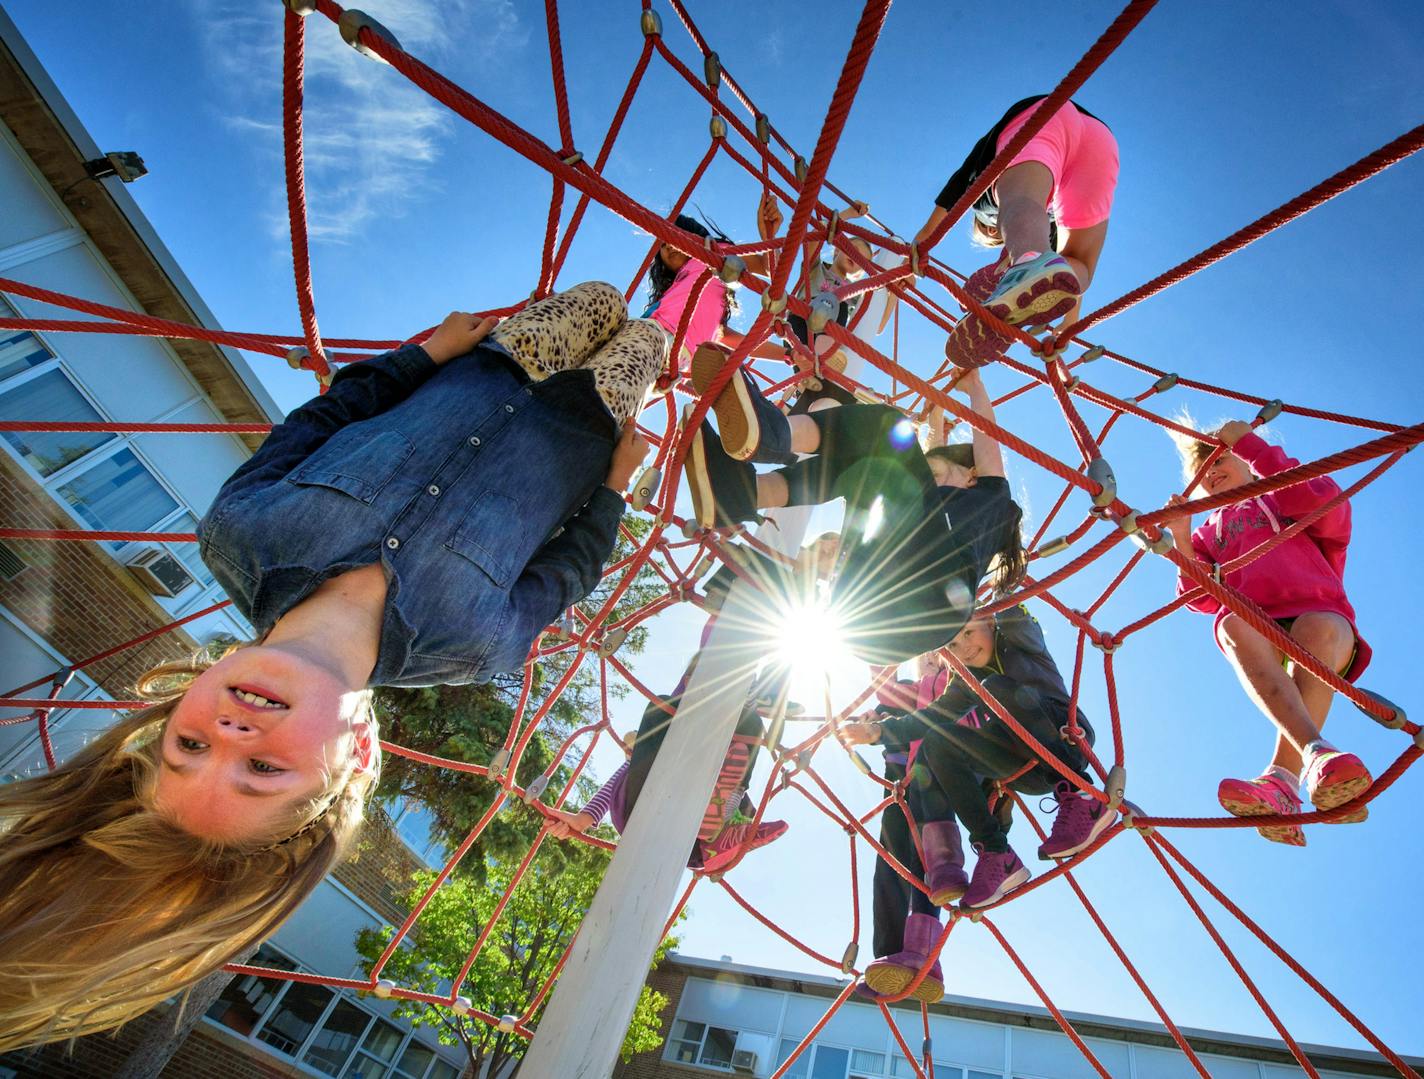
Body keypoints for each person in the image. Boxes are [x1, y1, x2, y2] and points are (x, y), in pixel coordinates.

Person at [0, 282, 665, 1049]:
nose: (230, 730)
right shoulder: (476, 645)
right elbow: (567, 570)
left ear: (173, 713)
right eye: (262, 772)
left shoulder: (236, 534)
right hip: (587, 428)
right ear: (352, 762)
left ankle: (664, 283)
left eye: (190, 748)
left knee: (598, 296)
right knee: (652, 339)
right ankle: (687, 299)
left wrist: (427, 352)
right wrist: (616, 487)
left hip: (493, 362)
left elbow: (320, 422)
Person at [684, 363, 1024, 667]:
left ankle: (775, 434)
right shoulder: (930, 513)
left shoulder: (991, 497)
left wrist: (976, 385)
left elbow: (987, 443)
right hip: (859, 619)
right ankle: (743, 494)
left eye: (934, 474)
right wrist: (935, 420)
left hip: (929, 603)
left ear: (971, 475)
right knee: (862, 470)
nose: (927, 481)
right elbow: (922, 476)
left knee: (889, 427)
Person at [1164, 419, 1374, 846]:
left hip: (1323, 625)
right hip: (1262, 632)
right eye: (1202, 472)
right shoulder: (1210, 532)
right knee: (1229, 622)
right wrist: (1181, 541)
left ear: (1247, 460)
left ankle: (1284, 779)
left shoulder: (1283, 498)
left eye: (1221, 459)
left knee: (1316, 626)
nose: (1213, 471)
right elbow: (1199, 596)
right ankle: (1311, 758)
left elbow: (1323, 504)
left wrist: (1251, 445)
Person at [844, 604, 1113, 910]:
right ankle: (997, 853)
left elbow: (1011, 604)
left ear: (990, 620)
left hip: (1064, 739)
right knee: (938, 741)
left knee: (995, 687)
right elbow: (931, 718)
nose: (965, 648)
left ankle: (1081, 798)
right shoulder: (966, 680)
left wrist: (994, 587)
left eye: (969, 633)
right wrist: (879, 732)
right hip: (1025, 767)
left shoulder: (1019, 636)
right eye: (953, 645)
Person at [912, 96, 1119, 369]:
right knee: (1078, 264)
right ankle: (1022, 265)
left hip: (1047, 116)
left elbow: (960, 185)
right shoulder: (1046, 222)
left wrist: (923, 239)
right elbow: (1063, 276)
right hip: (1101, 140)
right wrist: (1069, 324)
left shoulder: (983, 202)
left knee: (1021, 202)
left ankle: (1020, 263)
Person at [856, 651, 957, 1003]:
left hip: (933, 781)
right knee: (888, 869)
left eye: (940, 654)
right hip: (899, 786)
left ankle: (924, 955)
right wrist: (882, 651)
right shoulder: (908, 691)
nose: (932, 658)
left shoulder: (954, 684)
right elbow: (886, 689)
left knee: (926, 866)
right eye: (925, 654)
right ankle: (887, 957)